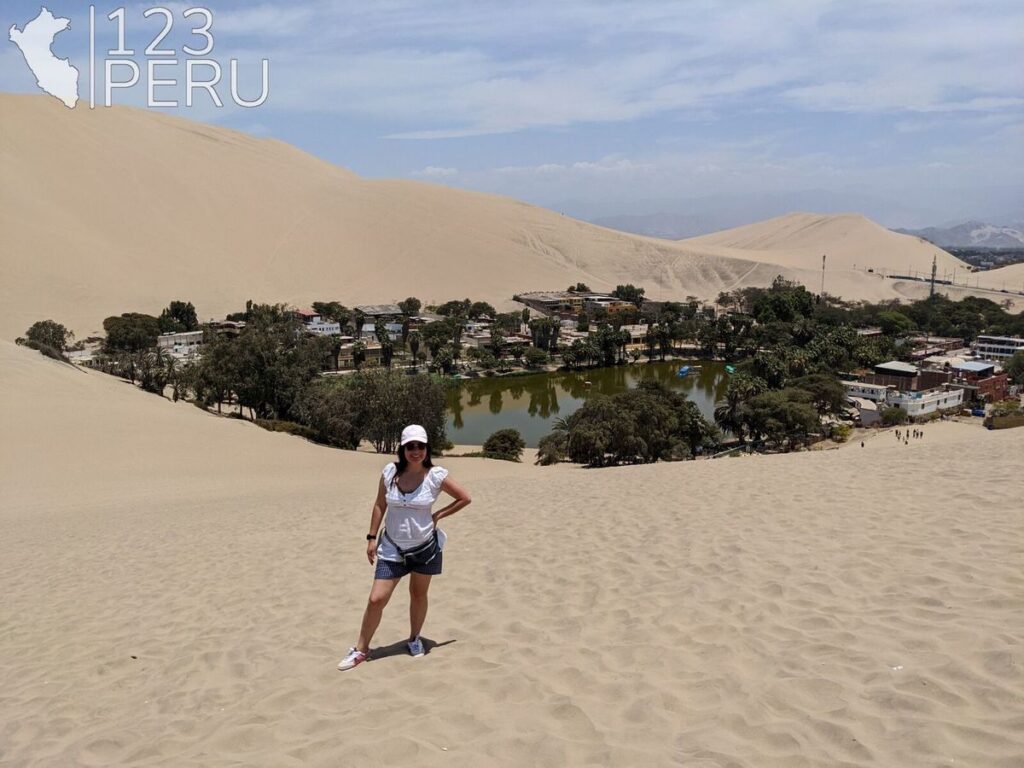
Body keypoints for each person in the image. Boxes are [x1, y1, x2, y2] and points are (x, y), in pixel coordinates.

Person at [338, 424, 472, 671]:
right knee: (376, 599)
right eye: (410, 446)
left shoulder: (435, 476)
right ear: (402, 448)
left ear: (426, 448)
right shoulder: (389, 472)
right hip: (391, 549)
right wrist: (371, 537)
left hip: (425, 549)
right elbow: (380, 505)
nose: (416, 451)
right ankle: (360, 649)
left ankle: (414, 638)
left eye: (420, 446)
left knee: (418, 595)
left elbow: (464, 497)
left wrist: (438, 514)